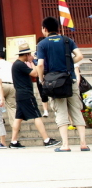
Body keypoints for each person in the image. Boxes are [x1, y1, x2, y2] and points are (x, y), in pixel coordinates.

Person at [37, 16, 88, 152]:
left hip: (54, 83)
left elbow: (40, 64)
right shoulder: (67, 40)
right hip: (69, 79)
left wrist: (41, 79)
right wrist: (70, 64)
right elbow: (80, 56)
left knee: (61, 112)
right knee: (76, 110)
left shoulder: (42, 44)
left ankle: (65, 145)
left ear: (45, 29)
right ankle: (83, 143)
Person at [8, 43, 61, 149]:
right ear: (26, 54)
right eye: (30, 54)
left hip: (20, 94)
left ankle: (13, 141)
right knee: (37, 115)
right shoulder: (20, 64)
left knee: (18, 118)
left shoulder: (16, 64)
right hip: (26, 94)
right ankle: (46, 139)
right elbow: (35, 73)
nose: (31, 56)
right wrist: (32, 62)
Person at [0, 51, 17, 127]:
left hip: (2, 85)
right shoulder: (10, 64)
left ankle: (0, 118)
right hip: (12, 85)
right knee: (12, 107)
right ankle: (15, 126)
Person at [33, 37, 50, 118]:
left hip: (47, 74)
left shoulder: (45, 52)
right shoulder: (37, 53)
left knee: (44, 92)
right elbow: (37, 64)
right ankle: (46, 110)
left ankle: (47, 110)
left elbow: (38, 64)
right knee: (43, 93)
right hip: (47, 74)